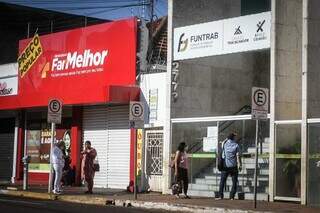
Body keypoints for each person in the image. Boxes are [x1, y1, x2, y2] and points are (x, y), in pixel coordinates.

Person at [216, 133, 242, 200]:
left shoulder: (224, 144)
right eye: (235, 137)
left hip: (225, 166)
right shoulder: (236, 145)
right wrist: (240, 165)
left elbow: (224, 141)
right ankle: (232, 196)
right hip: (233, 166)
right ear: (233, 138)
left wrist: (227, 138)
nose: (236, 138)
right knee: (234, 182)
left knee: (222, 181)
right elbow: (238, 156)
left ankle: (220, 196)